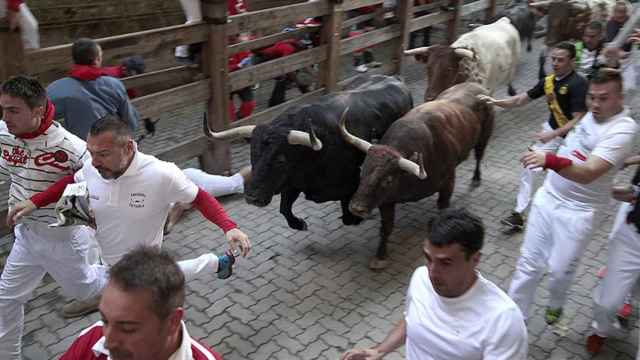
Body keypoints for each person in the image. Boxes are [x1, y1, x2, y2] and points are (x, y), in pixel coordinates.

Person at [9, 115, 252, 317]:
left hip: (141, 264)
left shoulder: (162, 174)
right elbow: (71, 181)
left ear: (128, 147)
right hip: (108, 263)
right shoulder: (92, 168)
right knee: (156, 281)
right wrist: (34, 202)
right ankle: (217, 263)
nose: (93, 162)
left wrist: (229, 227)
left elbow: (199, 197)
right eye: (90, 152)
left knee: (129, 321)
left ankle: (215, 264)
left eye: (102, 154)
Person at [507, 69, 638, 325]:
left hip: (580, 212)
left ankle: (556, 303)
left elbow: (589, 172)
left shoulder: (624, 129)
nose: (596, 104)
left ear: (620, 98)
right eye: (592, 97)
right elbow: (571, 146)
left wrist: (550, 160)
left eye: (604, 98)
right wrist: (547, 147)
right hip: (548, 198)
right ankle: (514, 321)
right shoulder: (590, 114)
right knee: (528, 264)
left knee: (558, 270)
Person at [0, 75, 107, 359]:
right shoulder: (3, 133)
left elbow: (92, 184)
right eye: (2, 109)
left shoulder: (73, 148)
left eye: (13, 111)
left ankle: (138, 276)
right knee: (6, 299)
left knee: (85, 290)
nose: (5, 118)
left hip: (62, 239)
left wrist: (51, 213)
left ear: (37, 111)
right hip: (25, 237)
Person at [341, 209, 528, 360]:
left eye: (445, 263)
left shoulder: (503, 321)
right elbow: (411, 319)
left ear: (475, 259)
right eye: (428, 258)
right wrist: (379, 351)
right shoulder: (420, 278)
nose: (432, 272)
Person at [480, 42, 588, 232]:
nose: (555, 63)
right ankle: (518, 215)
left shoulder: (579, 84)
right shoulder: (548, 82)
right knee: (530, 164)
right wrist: (494, 101)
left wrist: (552, 134)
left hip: (574, 139)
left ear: (572, 61)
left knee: (566, 179)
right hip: (552, 134)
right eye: (553, 59)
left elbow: (578, 120)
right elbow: (520, 99)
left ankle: (562, 219)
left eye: (560, 60)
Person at [60, 246, 223, 360]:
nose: (108, 342)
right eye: (105, 320)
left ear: (172, 322)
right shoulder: (93, 339)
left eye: (127, 328)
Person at [586, 162, 640, 354]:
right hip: (632, 239)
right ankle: (600, 330)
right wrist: (603, 187)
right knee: (607, 303)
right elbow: (634, 192)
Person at [46, 38, 141, 141]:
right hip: (109, 145)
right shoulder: (114, 85)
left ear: (75, 60)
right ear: (96, 60)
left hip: (76, 147)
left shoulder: (55, 89)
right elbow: (131, 122)